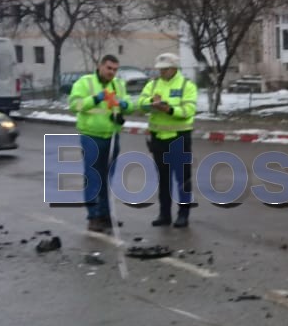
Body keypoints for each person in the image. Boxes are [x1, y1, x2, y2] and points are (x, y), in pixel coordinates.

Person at [68, 54, 128, 234]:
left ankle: (105, 214)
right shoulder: (85, 83)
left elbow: (128, 105)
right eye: (109, 68)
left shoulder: (118, 85)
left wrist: (124, 106)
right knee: (93, 177)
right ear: (100, 66)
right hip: (91, 136)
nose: (112, 72)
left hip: (112, 136)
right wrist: (96, 98)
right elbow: (74, 105)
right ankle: (93, 217)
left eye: (115, 69)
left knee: (107, 177)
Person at [139, 52, 198, 227]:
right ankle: (164, 214)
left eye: (165, 69)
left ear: (174, 68)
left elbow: (189, 110)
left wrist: (169, 109)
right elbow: (140, 104)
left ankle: (183, 214)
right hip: (158, 138)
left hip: (179, 137)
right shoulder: (153, 84)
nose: (162, 72)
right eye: (160, 69)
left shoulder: (186, 85)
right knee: (163, 178)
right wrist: (151, 102)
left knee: (182, 178)